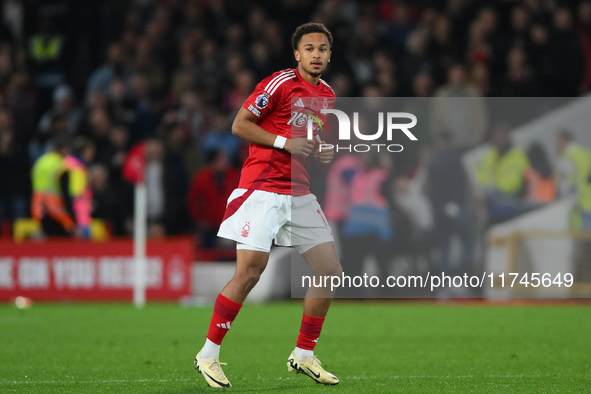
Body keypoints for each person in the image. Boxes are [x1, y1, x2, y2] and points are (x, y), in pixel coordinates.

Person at [194, 22, 341, 388]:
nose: (316, 54)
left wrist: (321, 151)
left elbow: (307, 138)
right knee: (250, 271)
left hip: (299, 191)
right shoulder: (278, 84)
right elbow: (240, 125)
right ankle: (208, 355)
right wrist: (283, 143)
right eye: (309, 48)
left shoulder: (327, 95)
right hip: (262, 188)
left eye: (322, 49)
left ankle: (304, 354)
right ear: (297, 54)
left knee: (329, 270)